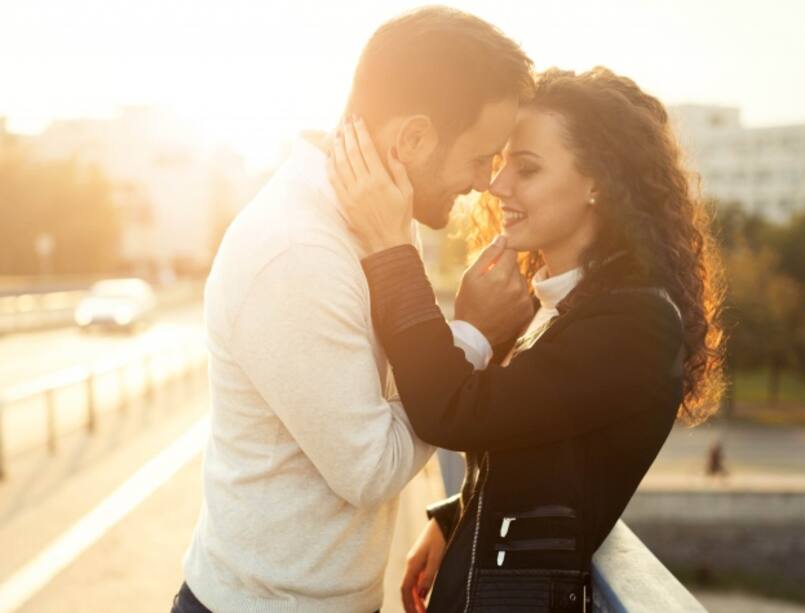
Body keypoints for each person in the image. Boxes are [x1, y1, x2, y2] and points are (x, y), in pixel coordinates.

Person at [171, 7, 534, 613]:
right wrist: (471, 334)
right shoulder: (298, 252)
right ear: (413, 138)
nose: (484, 182)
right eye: (481, 157)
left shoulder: (381, 216)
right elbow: (370, 470)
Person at [329, 66, 726, 612]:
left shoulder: (633, 321)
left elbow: (450, 410)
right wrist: (456, 517)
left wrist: (390, 250)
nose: (497, 185)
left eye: (527, 168)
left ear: (599, 184)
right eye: (500, 163)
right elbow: (535, 435)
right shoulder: (568, 306)